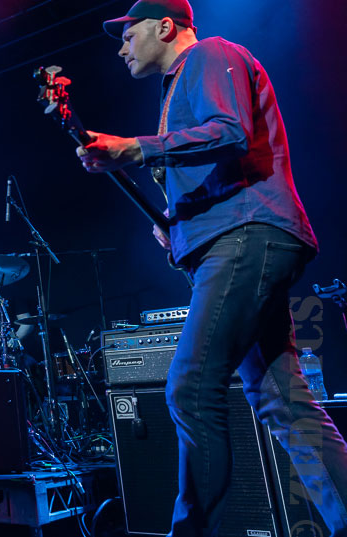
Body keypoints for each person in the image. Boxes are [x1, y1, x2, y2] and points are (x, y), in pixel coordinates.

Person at [77, 0, 347, 534]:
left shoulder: (209, 55)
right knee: (280, 399)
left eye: (128, 34)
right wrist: (176, 222)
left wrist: (137, 149)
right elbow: (220, 164)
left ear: (165, 26)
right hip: (242, 238)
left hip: (249, 236)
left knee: (190, 385)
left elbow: (230, 131)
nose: (121, 46)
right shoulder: (176, 87)